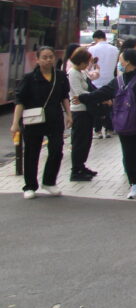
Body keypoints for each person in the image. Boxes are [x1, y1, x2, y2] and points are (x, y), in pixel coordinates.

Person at [77, 49, 136, 199]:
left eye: (121, 60)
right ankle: (134, 185)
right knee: (128, 154)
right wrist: (83, 98)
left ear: (127, 62)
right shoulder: (119, 80)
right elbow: (103, 92)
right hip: (123, 121)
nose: (119, 63)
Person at [11, 46, 72, 198]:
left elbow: (64, 96)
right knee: (32, 153)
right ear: (37, 60)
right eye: (44, 57)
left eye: (51, 57)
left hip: (54, 118)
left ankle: (49, 182)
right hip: (33, 121)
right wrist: (15, 123)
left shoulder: (60, 76)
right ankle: (30, 186)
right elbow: (20, 101)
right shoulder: (29, 78)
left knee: (57, 150)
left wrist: (69, 114)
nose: (48, 60)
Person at [67, 47, 100, 181]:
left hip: (87, 110)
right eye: (86, 62)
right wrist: (96, 96)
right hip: (79, 111)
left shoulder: (82, 71)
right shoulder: (73, 73)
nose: (87, 65)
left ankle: (81, 166)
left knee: (86, 140)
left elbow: (90, 87)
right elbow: (79, 93)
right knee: (79, 142)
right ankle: (76, 170)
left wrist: (98, 94)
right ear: (80, 61)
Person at [89, 30, 118, 138]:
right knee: (109, 106)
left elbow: (90, 65)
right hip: (110, 80)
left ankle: (98, 131)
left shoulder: (92, 49)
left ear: (95, 38)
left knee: (97, 106)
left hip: (96, 81)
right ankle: (109, 129)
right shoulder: (115, 49)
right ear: (105, 37)